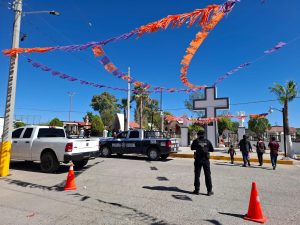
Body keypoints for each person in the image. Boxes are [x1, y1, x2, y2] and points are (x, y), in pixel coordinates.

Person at [191, 130, 214, 196]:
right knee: (207, 175)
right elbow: (212, 149)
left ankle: (197, 190)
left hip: (198, 159)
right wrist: (206, 148)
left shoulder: (195, 141)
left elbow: (192, 148)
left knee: (197, 175)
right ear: (204, 135)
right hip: (206, 160)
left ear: (198, 135)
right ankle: (209, 191)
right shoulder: (207, 141)